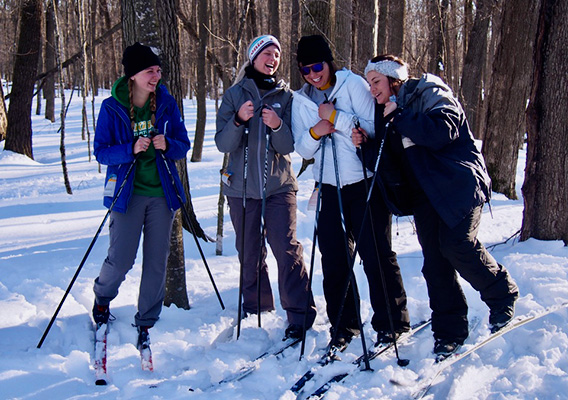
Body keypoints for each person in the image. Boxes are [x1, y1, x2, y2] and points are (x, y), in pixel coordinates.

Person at [352, 54, 519, 356]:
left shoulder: (429, 90)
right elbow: (391, 164)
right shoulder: (386, 112)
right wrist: (366, 148)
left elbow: (443, 131)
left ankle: (502, 294)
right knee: (434, 263)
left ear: (394, 79)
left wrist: (400, 116)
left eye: (376, 82)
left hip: (458, 185)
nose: (372, 89)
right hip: (426, 196)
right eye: (369, 83)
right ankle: (449, 332)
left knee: (457, 246)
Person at [292, 35, 411, 347]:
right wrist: (317, 131)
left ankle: (392, 322)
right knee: (333, 259)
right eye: (305, 69)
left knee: (375, 254)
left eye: (317, 65)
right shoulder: (301, 100)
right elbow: (302, 148)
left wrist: (335, 118)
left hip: (363, 180)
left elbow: (371, 129)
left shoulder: (354, 85)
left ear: (329, 62)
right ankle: (344, 326)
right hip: (327, 186)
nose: (313, 74)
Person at [215, 35, 317, 339]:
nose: (273, 59)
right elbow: (223, 142)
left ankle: (299, 314)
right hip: (240, 187)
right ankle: (256, 308)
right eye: (267, 53)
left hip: (279, 186)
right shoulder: (234, 94)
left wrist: (276, 125)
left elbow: (289, 146)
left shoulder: (286, 97)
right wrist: (237, 120)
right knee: (248, 251)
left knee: (286, 250)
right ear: (253, 57)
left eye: (277, 54)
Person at [92, 43, 191, 350]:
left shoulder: (166, 103)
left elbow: (182, 144)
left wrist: (167, 143)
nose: (156, 76)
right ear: (133, 75)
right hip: (127, 193)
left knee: (156, 261)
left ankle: (147, 318)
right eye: (150, 71)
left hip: (161, 193)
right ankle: (102, 298)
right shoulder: (111, 107)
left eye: (158, 70)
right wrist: (130, 149)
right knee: (121, 259)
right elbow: (101, 151)